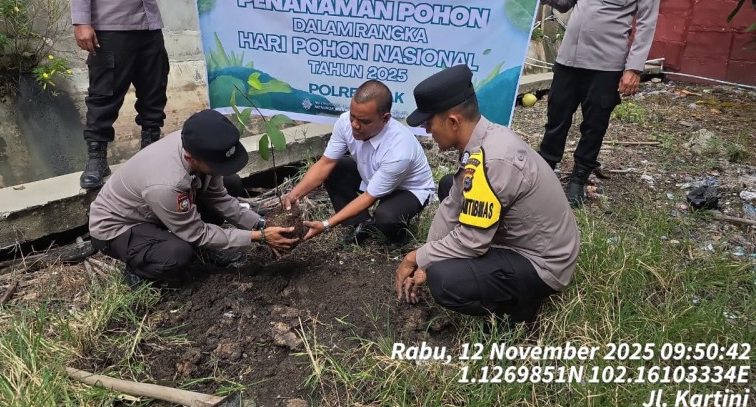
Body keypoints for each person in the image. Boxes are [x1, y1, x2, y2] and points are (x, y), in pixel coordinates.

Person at [395, 65, 580, 325]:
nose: (427, 130)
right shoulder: (482, 140)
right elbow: (452, 205)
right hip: (528, 241)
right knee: (450, 185)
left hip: (543, 265)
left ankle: (518, 312)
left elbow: (472, 241)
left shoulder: (493, 160)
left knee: (445, 280)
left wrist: (416, 257)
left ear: (453, 121)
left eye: (429, 122)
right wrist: (425, 258)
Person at [63, 0, 198, 190]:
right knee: (104, 95)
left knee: (154, 91)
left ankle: (150, 154)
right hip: (110, 26)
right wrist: (81, 22)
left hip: (148, 24)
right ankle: (97, 160)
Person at [537, 0, 663, 207]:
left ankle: (579, 177)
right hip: (568, 58)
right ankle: (544, 170)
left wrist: (634, 67)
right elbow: (564, 1)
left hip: (606, 63)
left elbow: (647, 19)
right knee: (556, 117)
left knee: (594, 124)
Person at [89, 110, 298, 286]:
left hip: (158, 208)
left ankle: (205, 249)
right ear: (190, 158)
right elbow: (197, 233)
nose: (219, 170)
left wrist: (261, 224)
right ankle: (139, 269)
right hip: (119, 227)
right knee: (177, 254)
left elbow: (219, 197)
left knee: (231, 181)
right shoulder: (167, 184)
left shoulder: (199, 143)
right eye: (216, 167)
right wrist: (260, 237)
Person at [282, 80, 434, 247]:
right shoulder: (344, 123)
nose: (355, 125)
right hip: (372, 174)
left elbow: (369, 197)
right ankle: (361, 224)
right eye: (352, 116)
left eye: (364, 121)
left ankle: (398, 237)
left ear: (385, 118)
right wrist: (293, 195)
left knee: (386, 217)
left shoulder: (399, 150)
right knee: (335, 169)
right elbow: (325, 163)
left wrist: (326, 224)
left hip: (408, 189)